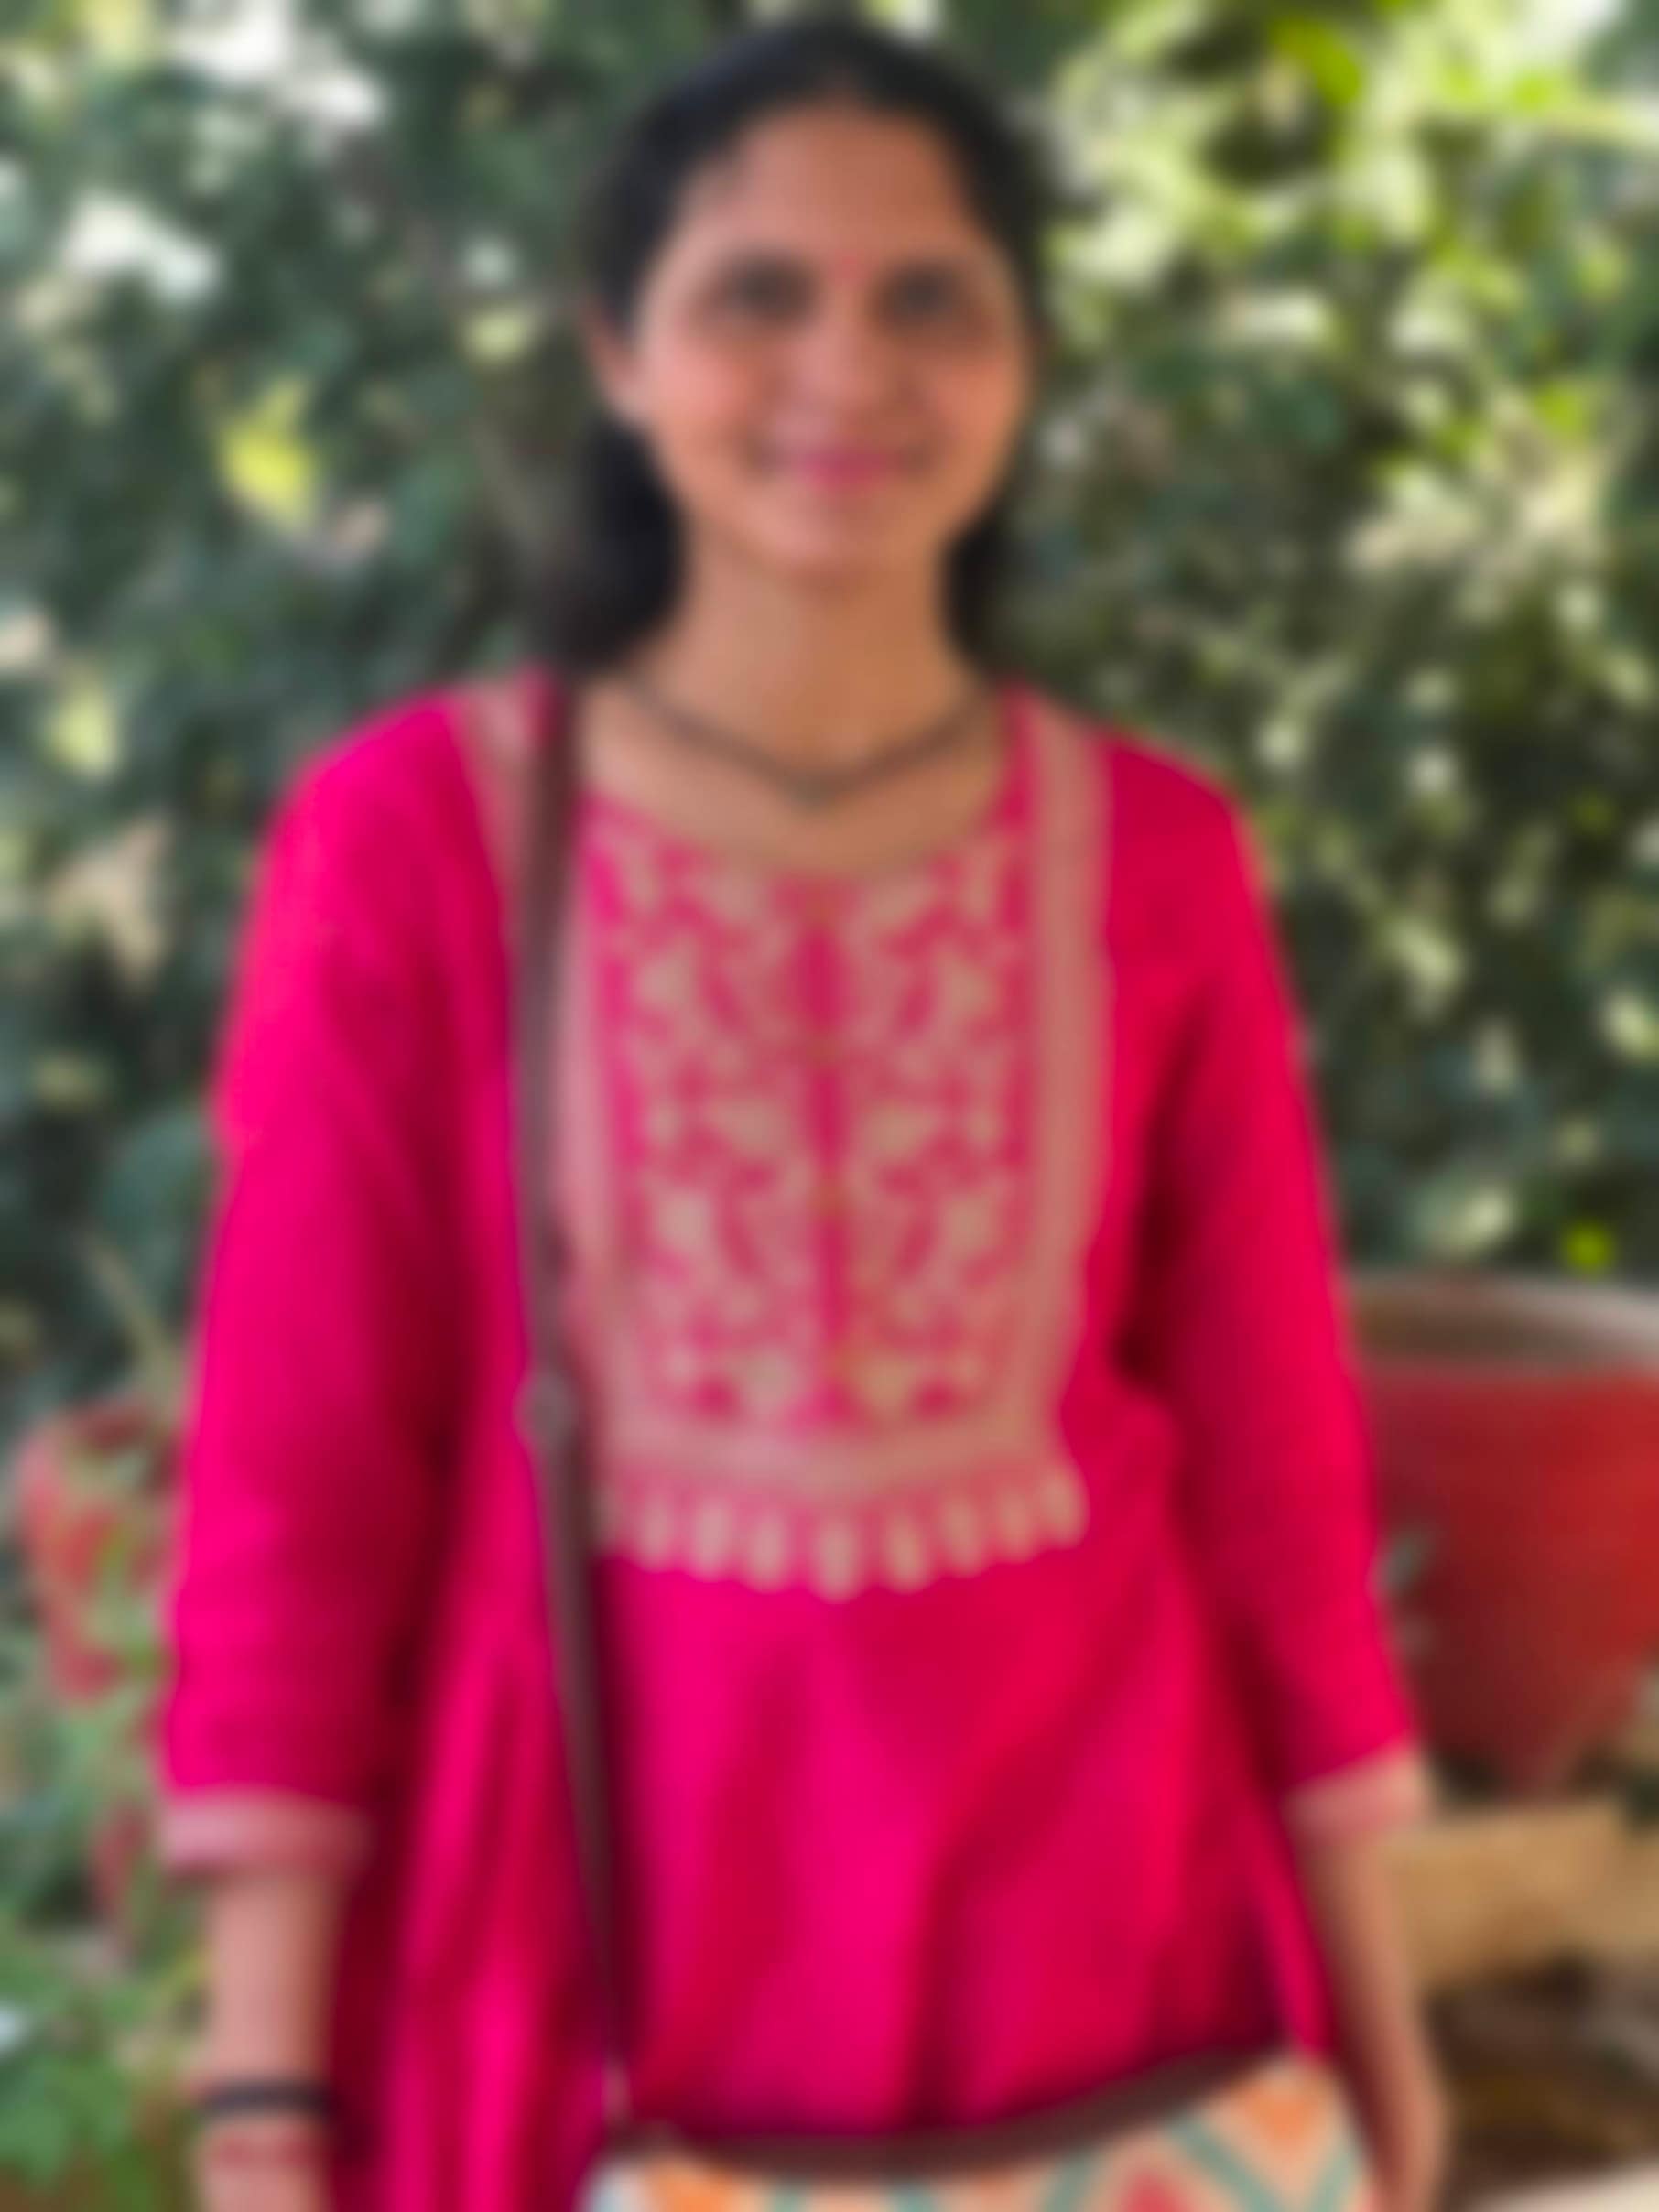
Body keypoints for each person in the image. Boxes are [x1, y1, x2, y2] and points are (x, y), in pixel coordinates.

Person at [154, 18, 1451, 2212]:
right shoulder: (417, 844)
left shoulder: (1156, 858)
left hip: (1113, 1961)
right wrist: (261, 2093)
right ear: (619, 354)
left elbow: (1274, 1472)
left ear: (1025, 363)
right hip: (586, 1971)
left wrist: (1378, 2009)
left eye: (929, 298)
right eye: (756, 293)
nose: (848, 367)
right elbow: (299, 1483)